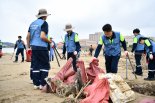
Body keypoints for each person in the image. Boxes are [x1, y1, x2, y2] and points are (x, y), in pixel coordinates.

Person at [26, 9, 51, 89]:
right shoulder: (44, 23)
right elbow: (42, 36)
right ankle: (43, 84)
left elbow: (28, 37)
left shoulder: (32, 24)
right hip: (42, 47)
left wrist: (28, 47)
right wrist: (49, 41)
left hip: (34, 47)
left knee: (36, 65)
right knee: (45, 65)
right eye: (46, 16)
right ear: (44, 16)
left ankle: (36, 84)